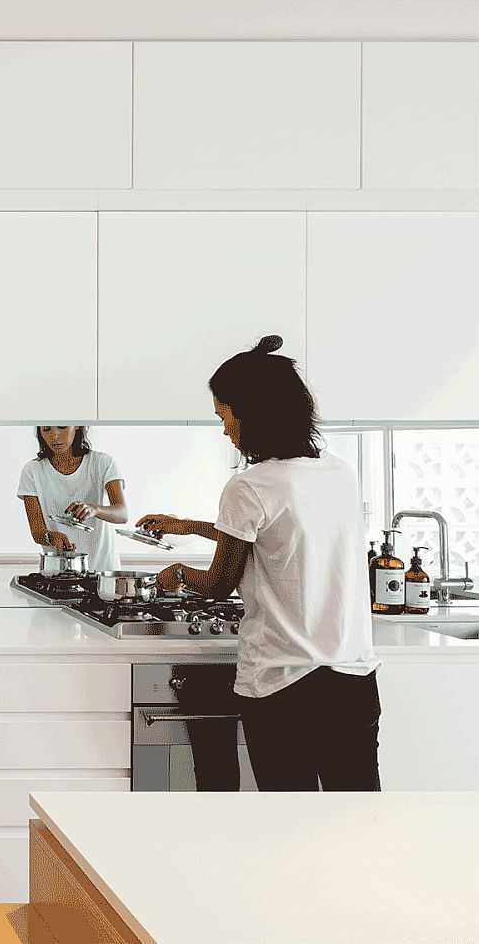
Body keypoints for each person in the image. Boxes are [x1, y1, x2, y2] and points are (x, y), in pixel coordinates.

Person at [138, 335, 381, 792]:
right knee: (358, 818)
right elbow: (281, 538)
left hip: (285, 684)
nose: (224, 429)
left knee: (288, 826)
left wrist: (176, 576)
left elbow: (217, 582)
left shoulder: (249, 485)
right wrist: (187, 525)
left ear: (249, 412)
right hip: (352, 680)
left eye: (223, 415)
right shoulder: (339, 473)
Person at [17, 426, 128, 573]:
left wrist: (95, 509)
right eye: (46, 429)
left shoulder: (102, 462)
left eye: (62, 427)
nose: (54, 436)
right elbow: (37, 532)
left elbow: (122, 513)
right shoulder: (32, 471)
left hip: (104, 573)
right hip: (59, 575)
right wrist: (51, 538)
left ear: (77, 426)